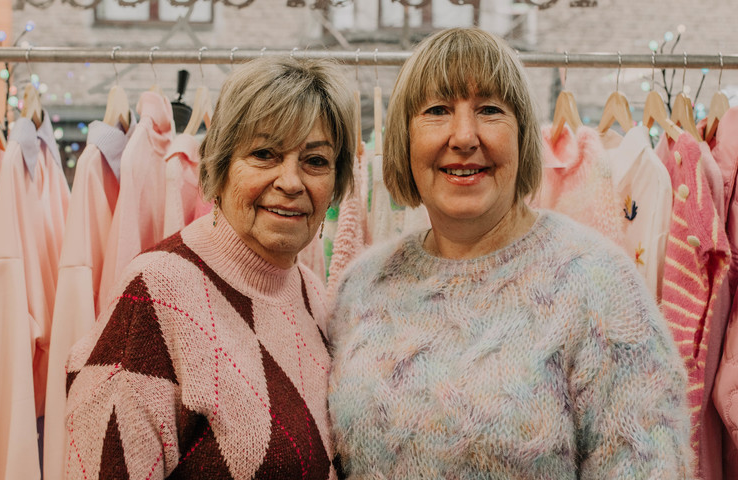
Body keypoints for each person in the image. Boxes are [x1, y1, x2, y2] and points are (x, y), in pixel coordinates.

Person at [327, 27, 694, 479]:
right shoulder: (361, 286)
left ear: (522, 137)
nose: (464, 136)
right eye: (438, 110)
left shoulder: (599, 285)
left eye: (489, 110)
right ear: (404, 140)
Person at [63, 55, 357, 479]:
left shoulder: (311, 293)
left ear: (335, 182)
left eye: (315, 161)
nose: (291, 182)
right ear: (220, 168)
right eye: (264, 154)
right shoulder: (155, 293)